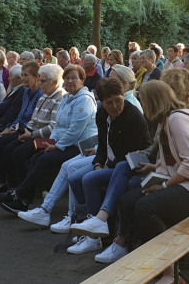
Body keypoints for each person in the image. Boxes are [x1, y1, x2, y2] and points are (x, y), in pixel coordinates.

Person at [109, 81, 189, 284]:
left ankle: (171, 273)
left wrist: (164, 186)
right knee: (128, 200)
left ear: (153, 101)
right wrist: (155, 167)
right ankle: (144, 257)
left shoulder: (177, 120)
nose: (142, 105)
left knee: (145, 207)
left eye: (143, 101)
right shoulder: (167, 120)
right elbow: (175, 158)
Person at [0, 65, 98, 214]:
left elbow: (76, 130)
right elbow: (58, 126)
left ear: (82, 80)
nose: (69, 81)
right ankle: (22, 201)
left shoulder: (84, 100)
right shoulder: (67, 98)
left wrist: (57, 146)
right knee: (36, 157)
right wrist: (51, 142)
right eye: (67, 78)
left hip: (81, 145)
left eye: (74, 78)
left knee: (43, 159)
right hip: (64, 143)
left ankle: (18, 195)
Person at [65, 78, 151, 255]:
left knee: (89, 180)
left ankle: (96, 236)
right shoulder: (102, 114)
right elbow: (103, 144)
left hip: (129, 165)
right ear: (101, 102)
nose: (115, 106)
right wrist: (98, 163)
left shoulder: (133, 117)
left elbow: (129, 153)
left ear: (123, 96)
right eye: (109, 103)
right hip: (109, 162)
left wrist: (105, 166)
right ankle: (90, 225)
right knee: (74, 178)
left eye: (118, 100)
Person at [0, 64, 66, 200]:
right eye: (40, 80)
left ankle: (26, 192)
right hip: (35, 134)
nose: (40, 83)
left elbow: (53, 127)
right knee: (9, 148)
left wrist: (31, 135)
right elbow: (33, 120)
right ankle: (14, 186)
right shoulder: (44, 96)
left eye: (43, 81)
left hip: (48, 139)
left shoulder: (60, 98)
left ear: (54, 82)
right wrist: (25, 132)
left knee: (19, 152)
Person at [0, 63, 42, 193]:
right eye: (22, 75)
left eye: (26, 75)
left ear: (36, 77)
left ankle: (9, 184)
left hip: (31, 129)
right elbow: (21, 114)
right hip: (21, 126)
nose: (23, 78)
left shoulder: (39, 94)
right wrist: (12, 128)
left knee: (5, 145)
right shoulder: (26, 91)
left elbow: (32, 119)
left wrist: (17, 130)